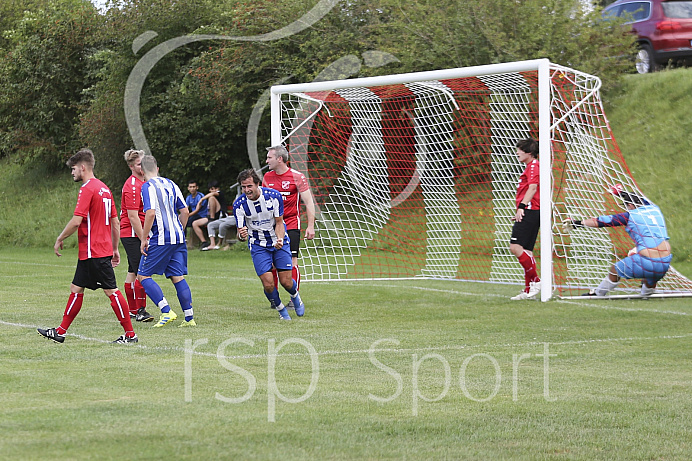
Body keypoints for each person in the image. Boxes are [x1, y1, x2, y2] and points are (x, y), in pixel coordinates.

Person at [38, 149, 137, 344]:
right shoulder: (105, 189)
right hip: (94, 251)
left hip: (94, 251)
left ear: (83, 167)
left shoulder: (87, 189)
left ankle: (130, 335)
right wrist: (115, 249)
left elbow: (77, 221)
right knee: (76, 288)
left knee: (111, 291)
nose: (72, 173)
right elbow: (115, 222)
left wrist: (60, 238)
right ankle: (60, 332)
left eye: (73, 169)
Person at [563, 185, 672, 297]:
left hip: (646, 260)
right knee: (651, 278)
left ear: (630, 205)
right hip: (665, 263)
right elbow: (642, 200)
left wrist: (577, 223)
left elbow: (602, 222)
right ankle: (645, 295)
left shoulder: (630, 215)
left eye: (626, 206)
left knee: (615, 270)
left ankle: (598, 294)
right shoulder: (655, 209)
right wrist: (620, 193)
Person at [233, 168, 306, 320]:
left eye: (249, 186)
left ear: (257, 184)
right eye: (243, 187)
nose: (247, 190)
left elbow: (279, 222)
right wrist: (241, 235)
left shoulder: (273, 197)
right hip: (258, 245)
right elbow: (240, 233)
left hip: (278, 241)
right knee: (268, 284)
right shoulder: (239, 205)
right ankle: (281, 311)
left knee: (286, 282)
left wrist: (279, 239)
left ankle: (295, 296)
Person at [138, 155, 196, 327]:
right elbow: (184, 211)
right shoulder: (171, 183)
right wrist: (180, 230)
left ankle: (166, 310)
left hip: (161, 237)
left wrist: (143, 238)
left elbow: (150, 213)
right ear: (157, 168)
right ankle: (189, 318)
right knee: (177, 275)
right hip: (178, 236)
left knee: (143, 275)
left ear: (141, 171)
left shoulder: (147, 186)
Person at [262, 145, 315, 307]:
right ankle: (275, 300)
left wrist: (310, 226)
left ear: (279, 159)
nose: (266, 161)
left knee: (291, 261)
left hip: (291, 224)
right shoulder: (267, 177)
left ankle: (294, 299)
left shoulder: (297, 177)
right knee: (271, 263)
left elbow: (309, 202)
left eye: (269, 157)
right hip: (272, 226)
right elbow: (263, 203)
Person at [119, 149, 154, 322]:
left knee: (133, 272)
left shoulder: (145, 181)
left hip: (138, 232)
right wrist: (143, 238)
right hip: (132, 233)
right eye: (140, 164)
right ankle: (140, 310)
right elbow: (133, 216)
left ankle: (133, 310)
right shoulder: (132, 185)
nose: (143, 167)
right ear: (131, 166)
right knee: (142, 271)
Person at [509, 138, 541, 301]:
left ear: (528, 152)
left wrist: (522, 206)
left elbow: (533, 187)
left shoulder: (534, 165)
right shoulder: (530, 166)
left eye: (520, 150)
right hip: (529, 209)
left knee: (515, 247)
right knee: (526, 251)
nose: (517, 153)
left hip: (530, 209)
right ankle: (529, 290)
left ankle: (536, 281)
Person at [197, 180, 231, 250]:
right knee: (195, 223)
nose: (211, 191)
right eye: (210, 189)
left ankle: (212, 218)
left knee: (211, 198)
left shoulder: (219, 194)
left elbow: (213, 194)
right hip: (210, 216)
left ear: (217, 189)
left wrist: (201, 199)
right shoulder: (209, 197)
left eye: (213, 189)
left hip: (221, 216)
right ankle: (205, 242)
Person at [185, 180, 210, 249]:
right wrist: (182, 215)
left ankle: (204, 242)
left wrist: (187, 216)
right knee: (182, 221)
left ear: (197, 187)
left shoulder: (200, 196)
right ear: (188, 188)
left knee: (185, 221)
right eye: (190, 187)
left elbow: (197, 210)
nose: (192, 188)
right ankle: (183, 240)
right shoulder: (189, 197)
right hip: (194, 216)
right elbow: (186, 209)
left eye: (194, 187)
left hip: (202, 216)